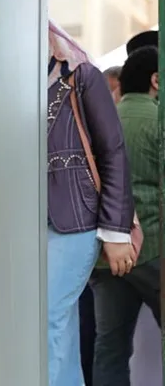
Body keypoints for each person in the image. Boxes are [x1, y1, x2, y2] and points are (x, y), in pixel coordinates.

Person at [46, 22, 135, 386]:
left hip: (76, 220)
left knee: (45, 319)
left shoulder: (81, 77)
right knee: (60, 328)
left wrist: (116, 231)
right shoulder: (3, 83)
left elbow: (112, 152)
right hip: (21, 222)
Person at [90, 45, 160, 386]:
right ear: (156, 80)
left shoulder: (101, 122)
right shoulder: (158, 121)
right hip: (153, 249)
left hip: (105, 254)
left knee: (110, 348)